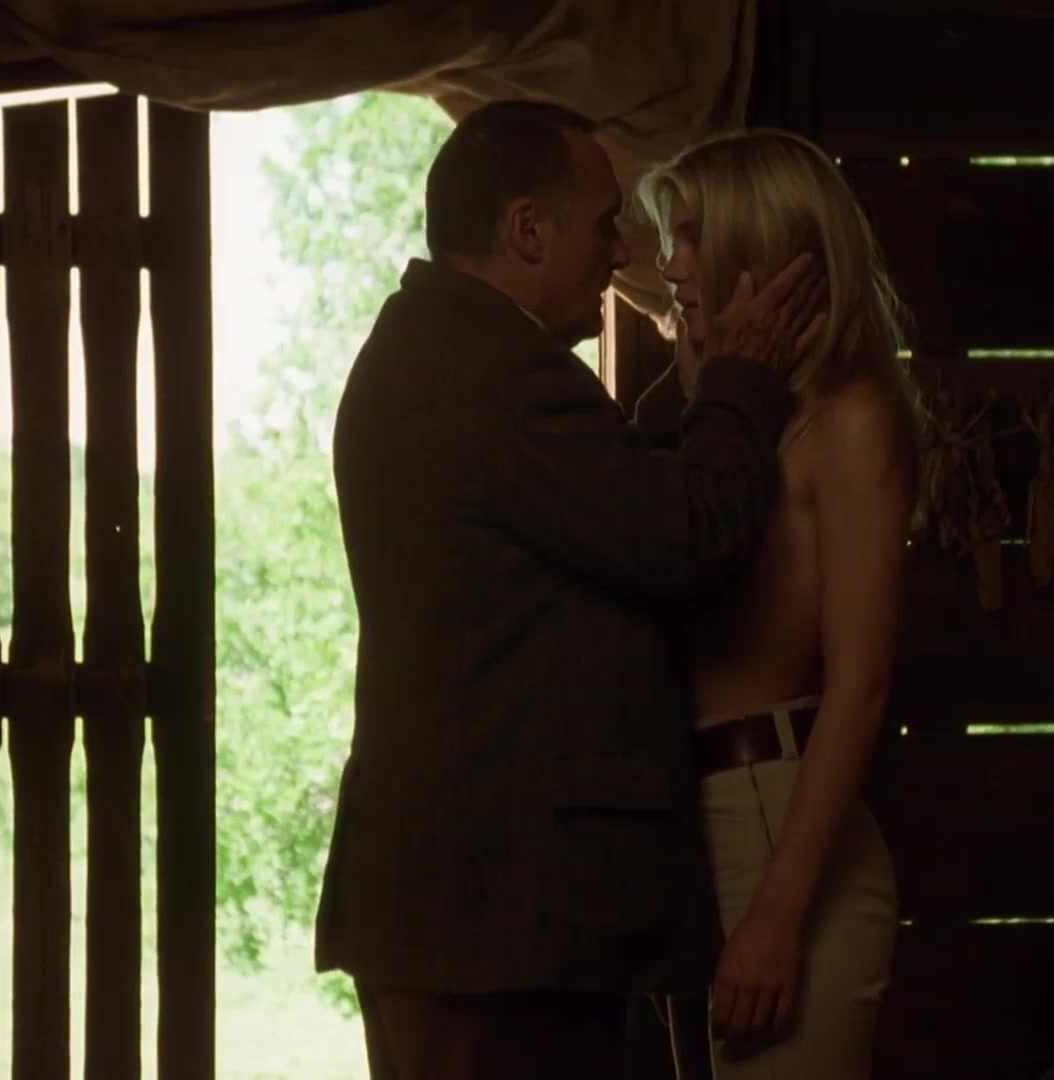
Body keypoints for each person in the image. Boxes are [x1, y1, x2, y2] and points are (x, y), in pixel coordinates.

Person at [314, 100, 827, 1080]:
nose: (624, 252)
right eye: (605, 223)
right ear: (527, 230)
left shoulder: (447, 349)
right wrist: (742, 379)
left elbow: (613, 508)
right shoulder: (490, 369)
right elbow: (680, 536)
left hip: (472, 915)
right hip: (492, 920)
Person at [632, 127, 921, 1077]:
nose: (670, 264)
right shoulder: (721, 419)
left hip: (778, 821)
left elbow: (862, 687)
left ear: (762, 246)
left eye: (690, 236)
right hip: (699, 825)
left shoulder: (851, 417)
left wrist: (777, 916)